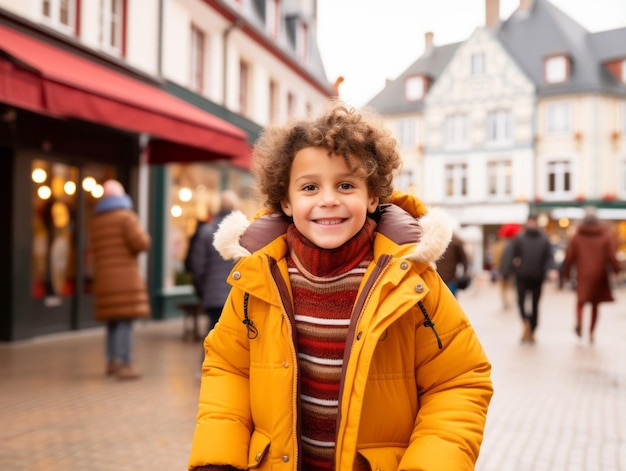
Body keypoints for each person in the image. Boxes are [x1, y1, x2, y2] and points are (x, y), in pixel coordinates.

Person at [188, 100, 493, 471]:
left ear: (372, 197)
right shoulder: (259, 277)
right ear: (286, 200)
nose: (328, 200)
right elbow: (228, 368)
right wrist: (219, 459)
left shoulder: (410, 281)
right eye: (310, 187)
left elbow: (459, 380)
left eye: (346, 185)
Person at [90, 179, 151, 380]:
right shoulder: (126, 217)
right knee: (125, 320)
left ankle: (111, 361)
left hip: (104, 279)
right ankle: (126, 363)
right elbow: (140, 243)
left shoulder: (97, 220)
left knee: (112, 322)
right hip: (125, 279)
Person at [562, 210, 620, 344]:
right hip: (599, 274)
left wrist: (565, 274)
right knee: (595, 305)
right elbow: (612, 256)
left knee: (580, 302)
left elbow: (570, 257)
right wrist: (616, 271)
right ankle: (592, 332)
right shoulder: (606, 236)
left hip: (582, 273)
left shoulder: (577, 236)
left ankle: (579, 320)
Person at [189, 190, 240, 334]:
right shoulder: (242, 232)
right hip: (236, 294)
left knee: (213, 335)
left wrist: (204, 289)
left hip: (213, 295)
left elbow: (197, 265)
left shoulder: (207, 230)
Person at [510, 213, 553, 344]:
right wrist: (511, 267)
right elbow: (512, 255)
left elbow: (549, 257)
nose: (532, 224)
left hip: (537, 277)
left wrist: (550, 270)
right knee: (521, 303)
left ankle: (532, 330)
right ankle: (525, 325)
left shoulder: (544, 239)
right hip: (521, 277)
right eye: (530, 221)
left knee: (535, 305)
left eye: (534, 221)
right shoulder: (519, 239)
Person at [437, 231, 469, 297]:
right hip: (450, 279)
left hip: (436, 279)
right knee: (451, 302)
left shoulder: (434, 238)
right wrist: (465, 273)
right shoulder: (456, 240)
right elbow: (464, 259)